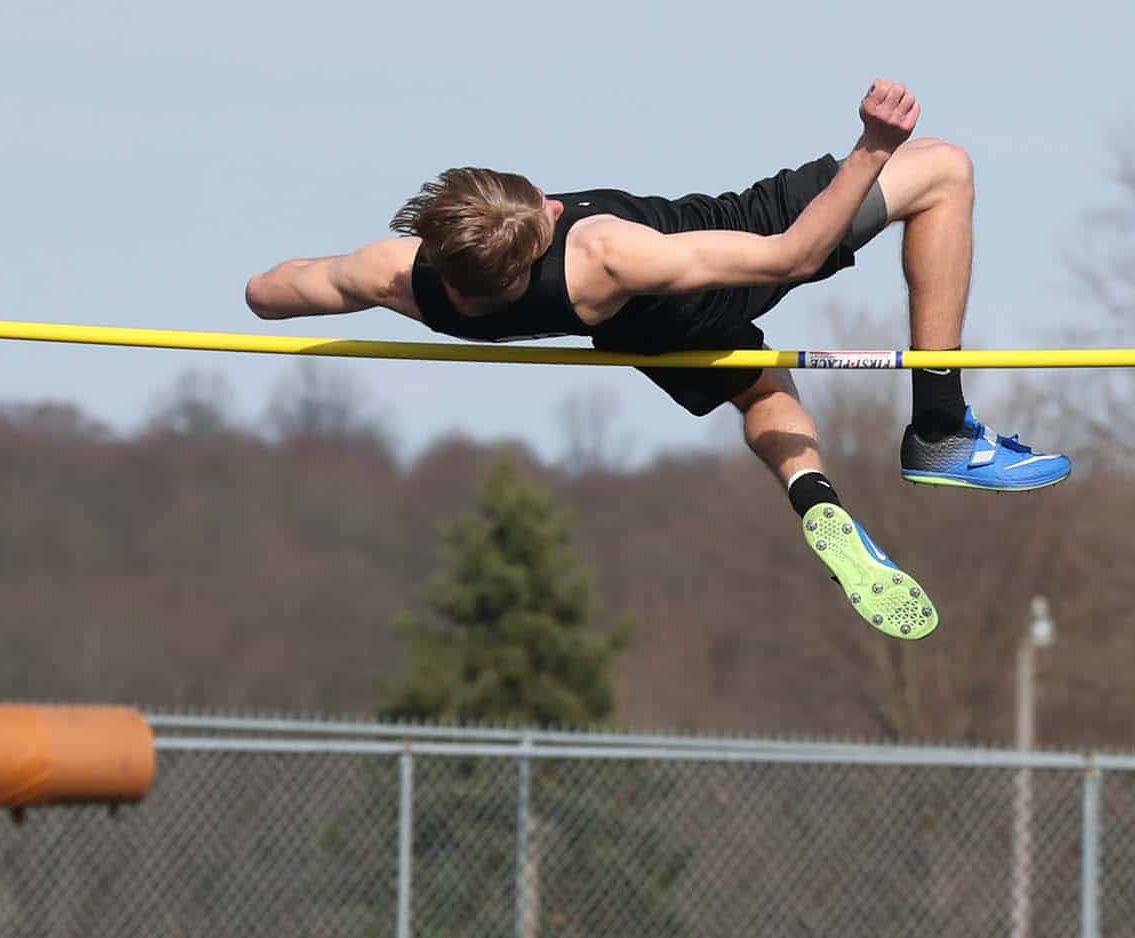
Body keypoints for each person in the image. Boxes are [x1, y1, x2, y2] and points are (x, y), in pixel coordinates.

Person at [245, 80, 1070, 641]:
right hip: (695, 270)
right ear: (537, 247)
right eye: (544, 214)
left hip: (637, 337)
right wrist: (871, 148)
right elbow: (788, 255)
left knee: (763, 396)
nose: (556, 202)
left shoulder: (404, 281)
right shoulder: (605, 252)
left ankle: (815, 499)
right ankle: (939, 431)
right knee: (943, 173)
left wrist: (298, 284)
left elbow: (269, 292)